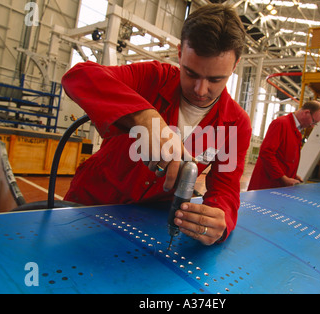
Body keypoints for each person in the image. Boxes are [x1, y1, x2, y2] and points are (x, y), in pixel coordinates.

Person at [61, 4, 252, 246]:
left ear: (235, 66)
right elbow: (78, 77)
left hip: (151, 222)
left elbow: (225, 187)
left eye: (216, 79)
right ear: (180, 53)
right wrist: (145, 118)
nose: (201, 90)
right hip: (90, 203)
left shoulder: (236, 125)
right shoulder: (151, 78)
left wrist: (218, 219)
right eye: (191, 73)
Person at [247, 100, 320, 191]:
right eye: (313, 121)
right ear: (306, 112)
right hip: (267, 186)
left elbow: (284, 158)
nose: (312, 126)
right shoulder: (281, 124)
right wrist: (283, 178)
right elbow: (266, 153)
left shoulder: (296, 131)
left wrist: (292, 175)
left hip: (278, 186)